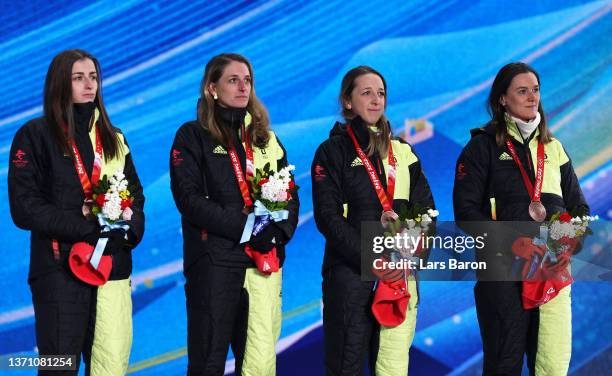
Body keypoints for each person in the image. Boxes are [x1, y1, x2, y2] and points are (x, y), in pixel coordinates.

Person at [8, 49, 145, 375]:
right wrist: (87, 223)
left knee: (111, 367)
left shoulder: (114, 137)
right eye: (78, 77)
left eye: (94, 77)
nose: (89, 84)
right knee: (60, 368)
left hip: (112, 268)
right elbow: (24, 208)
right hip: (60, 273)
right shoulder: (35, 135)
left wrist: (130, 230)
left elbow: (136, 196)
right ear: (59, 83)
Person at [453, 62, 588, 375]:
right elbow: (466, 212)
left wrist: (562, 244)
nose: (532, 97)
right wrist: (515, 244)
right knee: (504, 364)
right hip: (502, 275)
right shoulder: (481, 147)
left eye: (536, 90)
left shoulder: (554, 150)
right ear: (503, 99)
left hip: (551, 272)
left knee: (552, 367)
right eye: (522, 91)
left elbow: (579, 210)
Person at [170, 53, 299, 375]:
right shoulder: (192, 135)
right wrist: (249, 227)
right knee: (208, 362)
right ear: (212, 88)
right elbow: (189, 200)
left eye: (248, 80)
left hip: (263, 263)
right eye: (232, 80)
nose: (243, 87)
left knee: (259, 363)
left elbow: (291, 193)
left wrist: (278, 232)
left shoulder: (266, 139)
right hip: (214, 262)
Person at [311, 66, 435, 375]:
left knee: (393, 368)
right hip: (351, 279)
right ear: (348, 101)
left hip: (399, 279)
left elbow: (427, 212)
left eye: (380, 93)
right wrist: (373, 258)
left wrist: (412, 254)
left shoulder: (405, 152)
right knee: (346, 366)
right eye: (366, 93)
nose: (376, 100)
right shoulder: (331, 152)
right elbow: (328, 218)